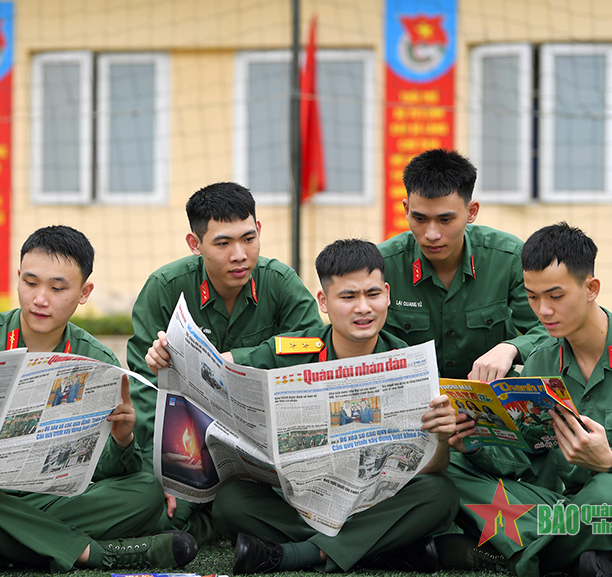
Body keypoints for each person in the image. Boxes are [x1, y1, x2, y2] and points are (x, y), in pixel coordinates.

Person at [0, 226, 197, 573]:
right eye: (30, 283)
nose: (40, 299)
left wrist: (122, 440)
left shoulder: (97, 360)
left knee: (146, 491)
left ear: (84, 292)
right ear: (17, 279)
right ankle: (94, 553)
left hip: (52, 499)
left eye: (57, 288)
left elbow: (104, 471)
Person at [441, 222, 612, 577]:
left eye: (555, 296)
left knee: (610, 492)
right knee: (449, 463)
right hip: (562, 507)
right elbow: (526, 458)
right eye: (532, 296)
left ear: (591, 288)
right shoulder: (541, 359)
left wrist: (611, 460)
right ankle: (584, 557)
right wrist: (475, 444)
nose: (542, 310)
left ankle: (524, 559)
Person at [206, 239, 458, 573]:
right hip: (303, 503)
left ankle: (302, 555)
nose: (363, 308)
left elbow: (432, 469)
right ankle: (381, 549)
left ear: (387, 293)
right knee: (230, 502)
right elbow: (221, 367)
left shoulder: (409, 364)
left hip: (375, 503)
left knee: (441, 494)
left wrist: (441, 437)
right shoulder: (293, 352)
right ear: (324, 301)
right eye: (348, 296)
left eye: (372, 294)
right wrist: (169, 353)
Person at [129, 182, 323, 539]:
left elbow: (313, 345)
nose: (240, 254)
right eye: (223, 243)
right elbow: (142, 388)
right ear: (195, 244)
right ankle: (206, 518)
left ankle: (216, 519)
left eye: (248, 239)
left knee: (243, 504)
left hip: (263, 450)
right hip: (188, 450)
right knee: (158, 510)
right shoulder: (165, 287)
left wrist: (235, 360)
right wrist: (165, 473)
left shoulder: (279, 282)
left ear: (259, 230)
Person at [378, 149, 546, 381]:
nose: (432, 234)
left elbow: (550, 329)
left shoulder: (509, 258)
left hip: (491, 406)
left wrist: (511, 348)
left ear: (471, 212)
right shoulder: (382, 265)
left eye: (445, 220)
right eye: (419, 219)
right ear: (406, 209)